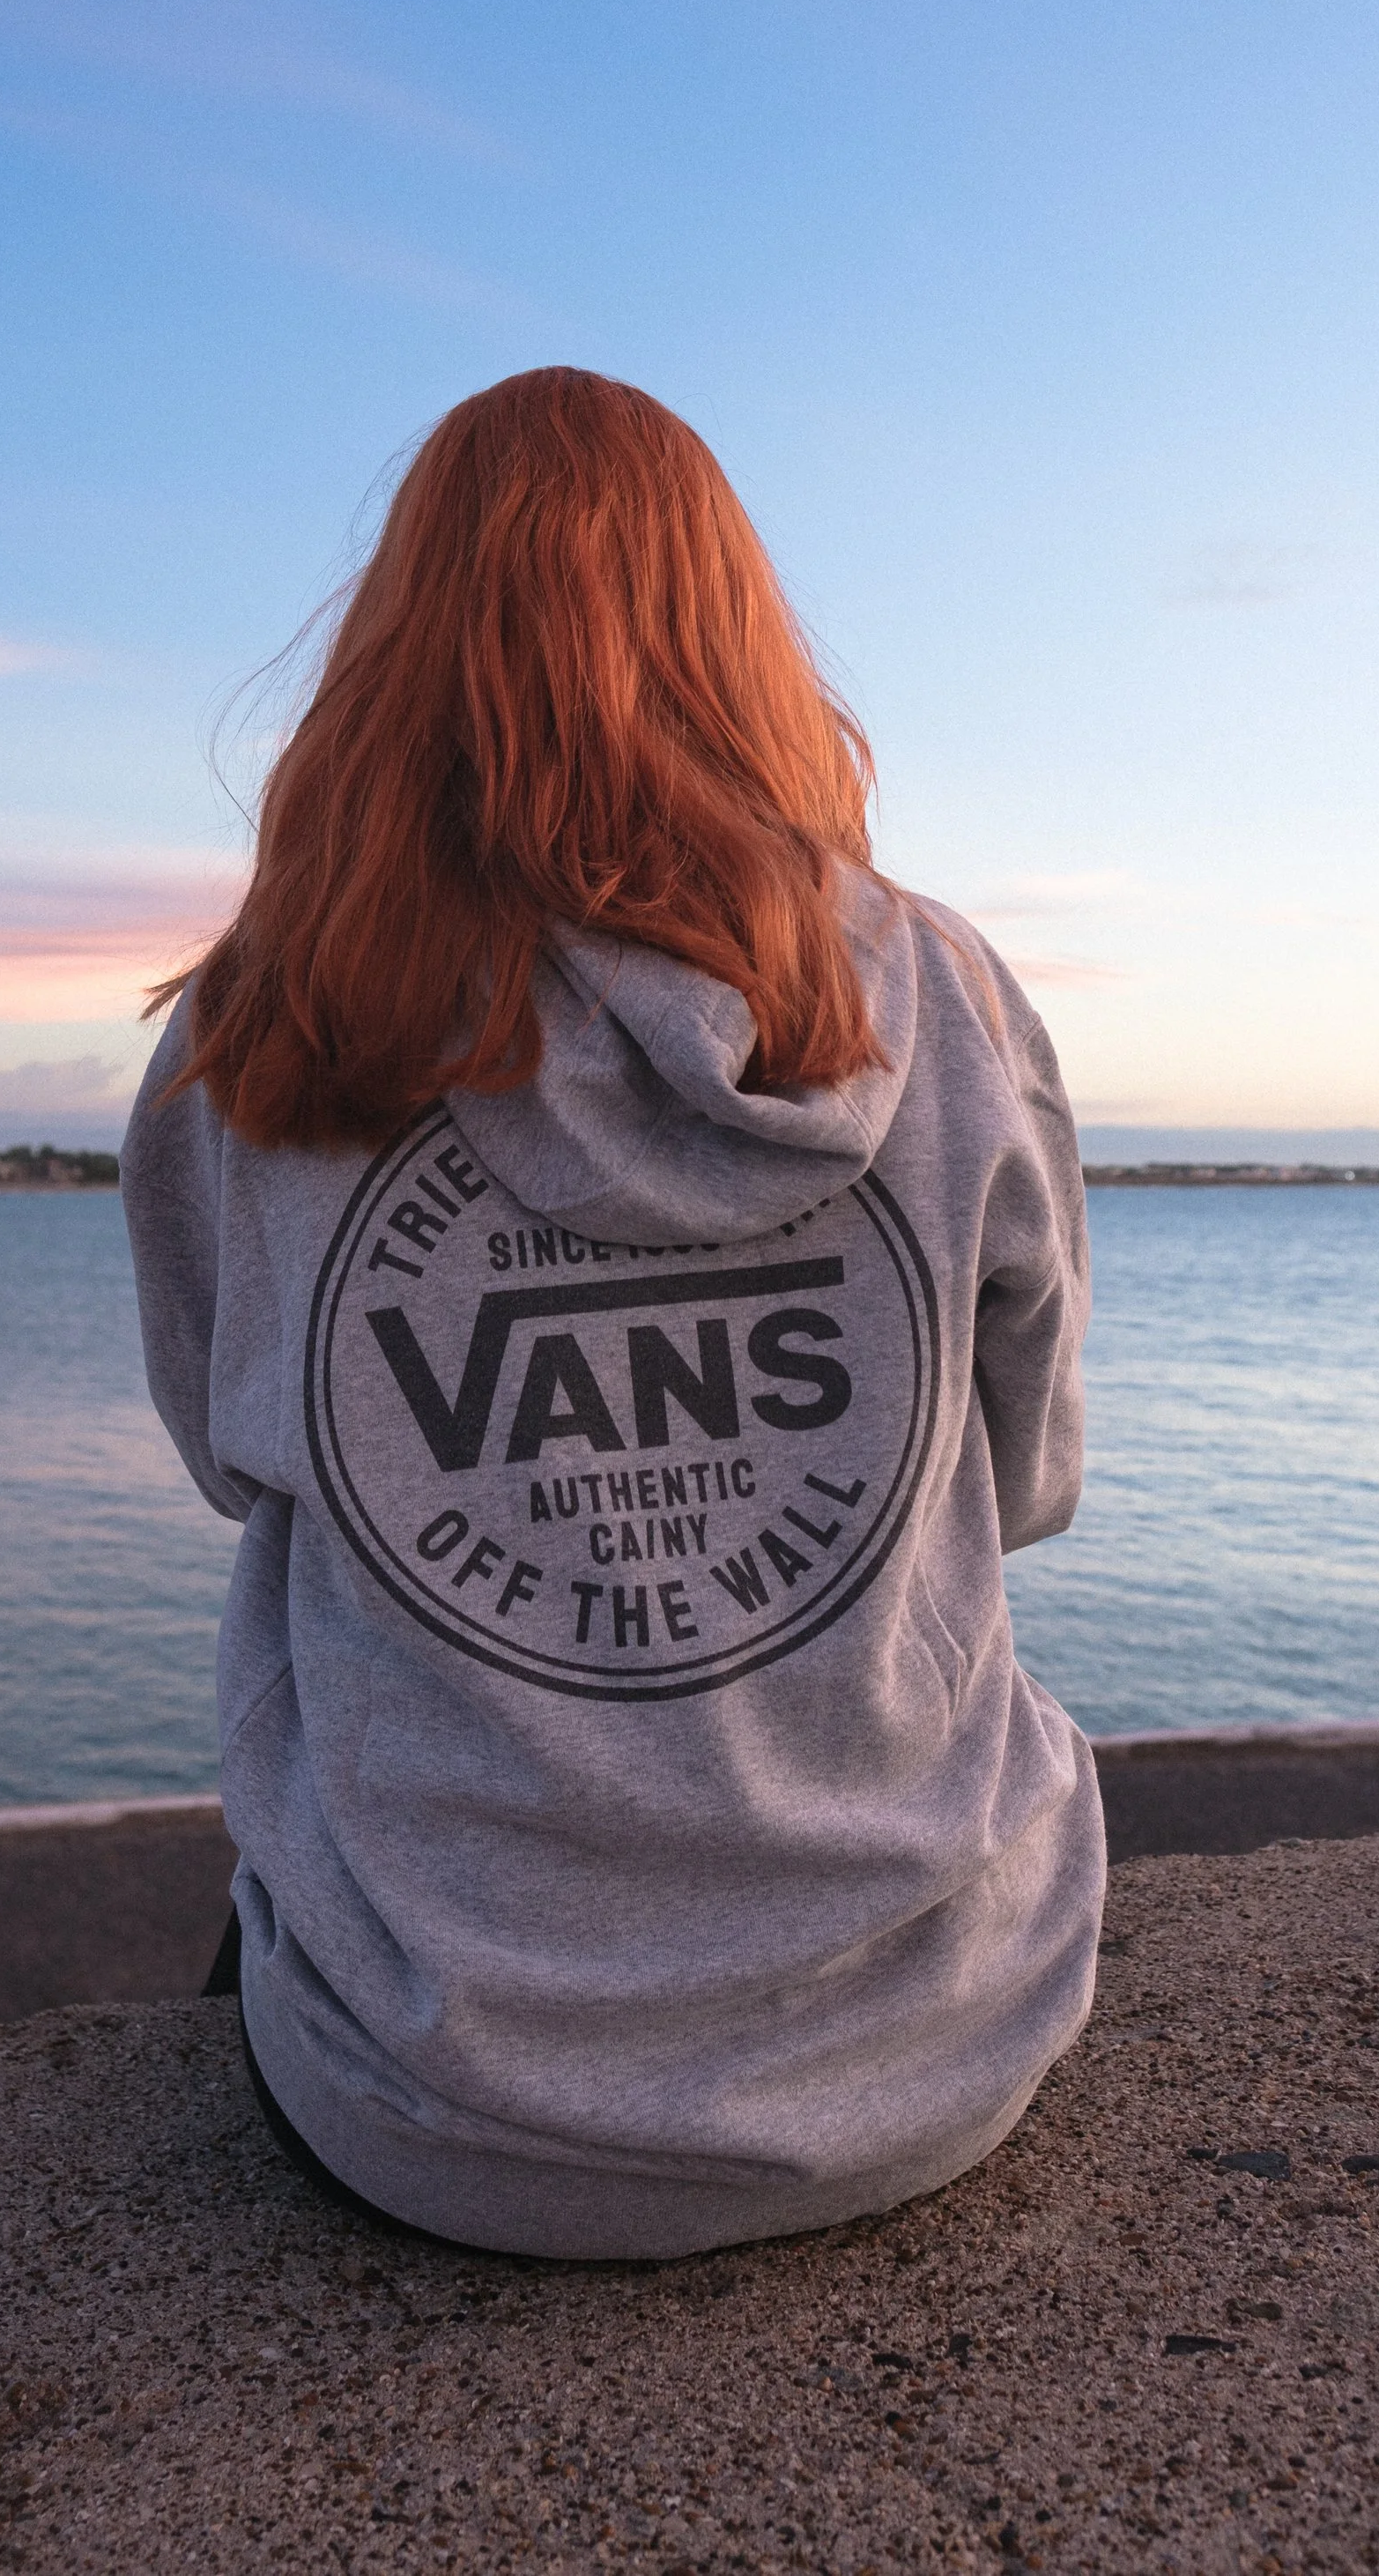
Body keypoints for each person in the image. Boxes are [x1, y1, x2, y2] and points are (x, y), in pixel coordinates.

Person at [122, 365, 1103, 2260]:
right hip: (929, 2041)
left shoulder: (252, 1040)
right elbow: (1024, 1478)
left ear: (393, 642)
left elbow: (237, 1452)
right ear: (733, 632)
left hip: (436, 2096)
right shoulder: (945, 998)